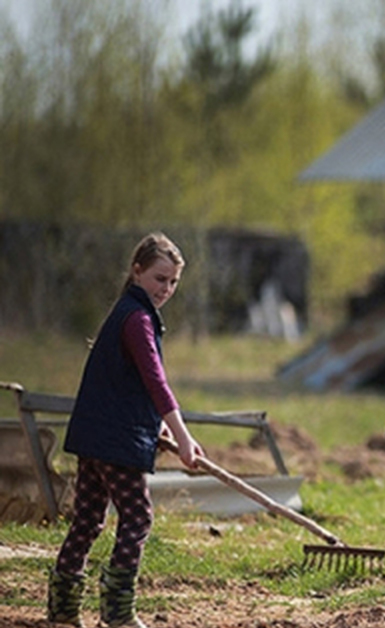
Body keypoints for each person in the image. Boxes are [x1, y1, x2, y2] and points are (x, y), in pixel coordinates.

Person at [48, 232, 206, 628]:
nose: (166, 289)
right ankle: (117, 613)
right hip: (114, 443)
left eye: (172, 282)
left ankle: (62, 610)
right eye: (158, 278)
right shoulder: (136, 319)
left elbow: (123, 388)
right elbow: (156, 383)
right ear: (137, 272)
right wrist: (185, 438)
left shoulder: (126, 311)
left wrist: (156, 432)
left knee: (87, 520)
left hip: (96, 436)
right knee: (137, 519)